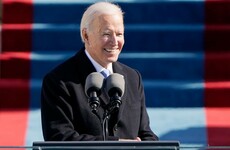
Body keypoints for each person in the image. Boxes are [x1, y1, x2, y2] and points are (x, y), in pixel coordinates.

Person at [41, 1, 158, 141]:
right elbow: (60, 138)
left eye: (119, 34)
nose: (115, 41)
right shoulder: (59, 81)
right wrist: (118, 145)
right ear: (86, 36)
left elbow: (146, 133)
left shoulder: (133, 77)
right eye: (107, 34)